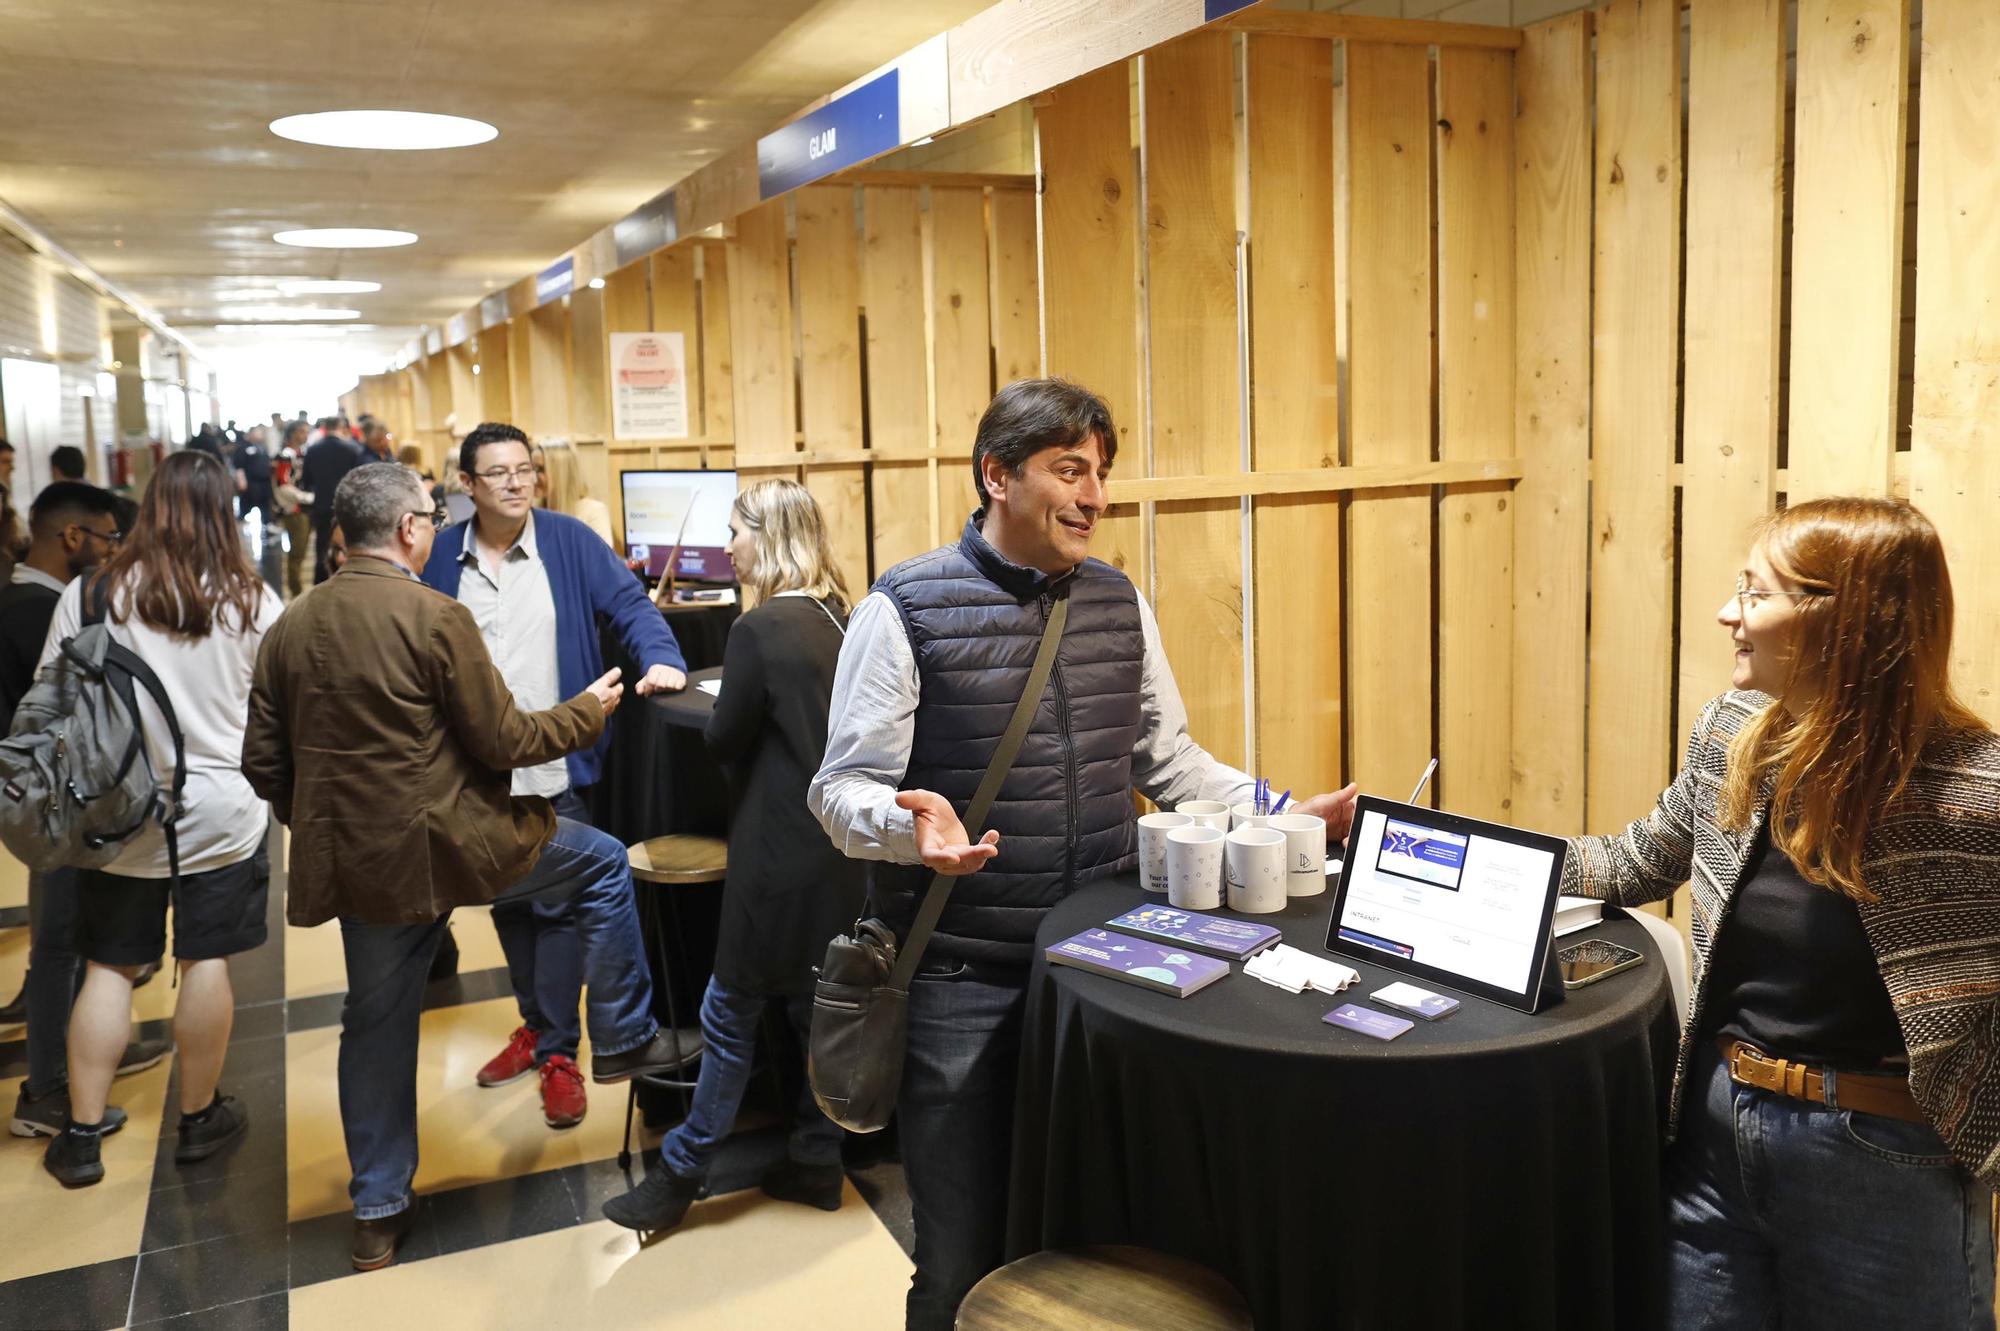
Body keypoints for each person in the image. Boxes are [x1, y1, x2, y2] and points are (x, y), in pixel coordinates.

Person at [808, 378, 1359, 1329]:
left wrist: (1280, 813)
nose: (1095, 497)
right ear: (997, 475)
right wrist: (912, 830)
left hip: (1108, 974)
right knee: (959, 1257)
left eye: (1101, 473)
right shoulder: (902, 608)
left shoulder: (1117, 602)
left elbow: (1168, 760)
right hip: (960, 983)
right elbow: (837, 791)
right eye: (1070, 470)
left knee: (1097, 1241)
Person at [1560, 496, 2000, 1327]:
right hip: (1716, 1133)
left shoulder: (1975, 793)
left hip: (1883, 1164)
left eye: (1756, 593)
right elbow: (1637, 860)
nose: (1730, 612)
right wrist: (1469, 858)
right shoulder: (1733, 732)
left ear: (1846, 622)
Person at [242, 462, 690, 1269]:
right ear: (411, 529)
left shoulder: (291, 625)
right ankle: (623, 1035)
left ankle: (378, 1206)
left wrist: (327, 820)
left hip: (364, 866)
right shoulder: (435, 616)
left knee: (373, 1024)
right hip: (460, 847)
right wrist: (588, 711)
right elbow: (506, 742)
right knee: (598, 864)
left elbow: (263, 764)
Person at [603, 480, 865, 1232]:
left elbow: (723, 740)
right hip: (837, 855)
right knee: (813, 1011)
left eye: (737, 531)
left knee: (728, 1009)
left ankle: (682, 1171)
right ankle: (817, 1159)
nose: (729, 546)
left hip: (775, 853)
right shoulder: (839, 617)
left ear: (772, 536)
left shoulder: (758, 630)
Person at [419, 421, 688, 1129]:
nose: (516, 482)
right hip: (476, 777)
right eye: (498, 473)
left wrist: (661, 656)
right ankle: (539, 1027)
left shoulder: (568, 541)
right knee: (511, 903)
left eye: (524, 469)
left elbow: (630, 605)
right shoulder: (441, 556)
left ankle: (560, 1049)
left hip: (559, 761)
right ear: (468, 486)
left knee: (561, 901)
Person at [37, 453, 282, 1188]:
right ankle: (199, 1118)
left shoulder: (93, 594)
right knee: (204, 957)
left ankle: (81, 1134)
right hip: (220, 809)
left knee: (110, 965)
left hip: (118, 810)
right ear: (220, 511)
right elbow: (277, 706)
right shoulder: (250, 599)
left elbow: (51, 697)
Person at [300, 417, 363, 584]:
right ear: (341, 427)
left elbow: (306, 481)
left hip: (321, 504)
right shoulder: (352, 448)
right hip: (347, 506)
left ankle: (320, 584)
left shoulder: (313, 449)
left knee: (322, 546)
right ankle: (348, 581)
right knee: (348, 546)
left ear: (324, 428)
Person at [535, 440, 613, 547]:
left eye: (540, 469)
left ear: (561, 473)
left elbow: (601, 561)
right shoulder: (532, 514)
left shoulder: (592, 512)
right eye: (530, 469)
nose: (532, 476)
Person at [232, 425, 281, 591]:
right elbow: (238, 466)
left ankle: (267, 526)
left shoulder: (261, 447)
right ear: (250, 434)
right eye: (257, 433)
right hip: (251, 483)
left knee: (265, 508)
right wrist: (241, 480)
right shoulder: (243, 449)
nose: (260, 435)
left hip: (263, 483)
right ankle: (237, 531)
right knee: (246, 509)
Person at [274, 421, 313, 598]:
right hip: (294, 509)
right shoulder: (285, 455)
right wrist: (305, 497)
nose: (305, 435)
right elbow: (282, 484)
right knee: (297, 553)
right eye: (301, 432)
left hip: (303, 507)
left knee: (301, 551)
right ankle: (296, 591)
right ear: (292, 434)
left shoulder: (301, 453)